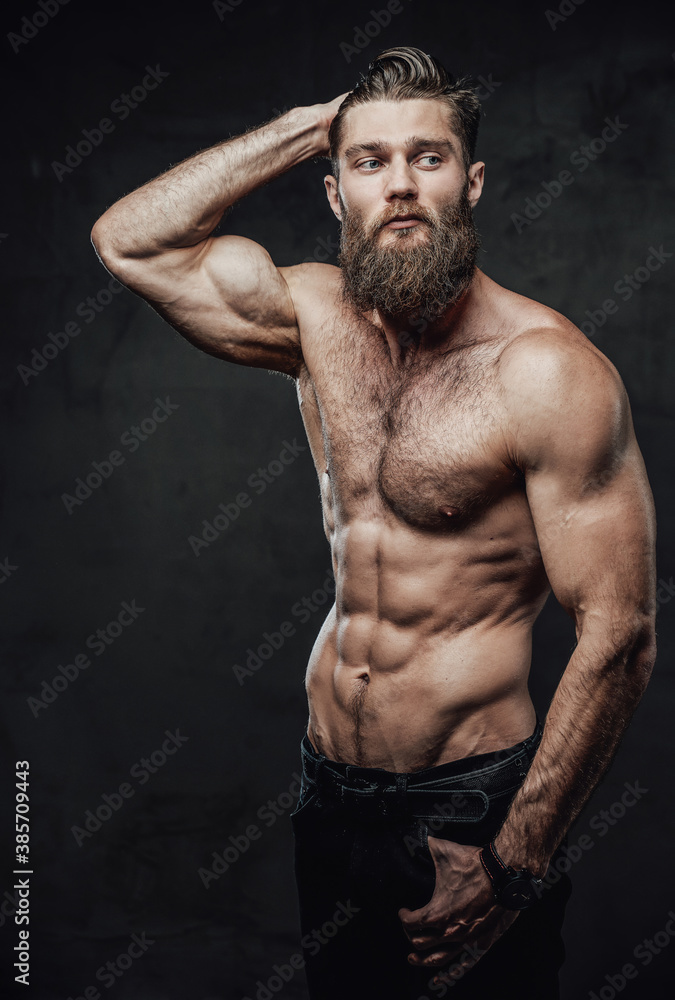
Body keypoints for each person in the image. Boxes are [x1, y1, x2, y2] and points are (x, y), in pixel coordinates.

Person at [91, 46, 656, 999]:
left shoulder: (545, 372)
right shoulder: (312, 319)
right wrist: (314, 124)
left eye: (428, 158)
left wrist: (516, 859)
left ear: (471, 182)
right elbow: (130, 242)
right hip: (328, 790)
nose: (399, 184)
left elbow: (620, 633)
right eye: (369, 162)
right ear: (333, 190)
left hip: (467, 807)